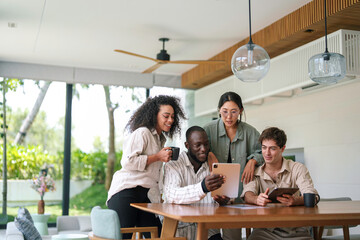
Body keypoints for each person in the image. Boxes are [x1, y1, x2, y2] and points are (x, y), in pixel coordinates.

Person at [107, 95, 186, 239]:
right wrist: (157, 157)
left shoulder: (160, 138)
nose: (170, 120)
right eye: (166, 116)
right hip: (126, 192)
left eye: (173, 117)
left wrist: (159, 195)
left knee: (157, 234)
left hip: (145, 195)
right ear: (154, 115)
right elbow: (128, 161)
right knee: (125, 237)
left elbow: (153, 174)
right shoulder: (143, 132)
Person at [203, 91, 264, 240]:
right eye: (224, 112)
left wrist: (253, 160)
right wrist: (209, 153)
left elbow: (264, 151)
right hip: (212, 192)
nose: (229, 117)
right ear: (219, 110)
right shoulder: (208, 129)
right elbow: (195, 149)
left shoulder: (250, 132)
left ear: (241, 111)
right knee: (211, 234)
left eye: (233, 112)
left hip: (238, 193)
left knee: (233, 236)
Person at [241, 127, 319, 240]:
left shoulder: (298, 168)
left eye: (272, 148)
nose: (267, 153)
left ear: (282, 149)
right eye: (264, 148)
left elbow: (313, 197)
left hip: (296, 232)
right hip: (264, 231)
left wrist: (295, 201)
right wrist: (256, 199)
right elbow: (248, 194)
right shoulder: (255, 172)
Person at [162, 126, 229, 240]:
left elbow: (222, 198)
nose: (203, 149)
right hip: (180, 230)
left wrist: (223, 201)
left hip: (207, 230)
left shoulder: (213, 164)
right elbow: (172, 195)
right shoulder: (173, 164)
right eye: (198, 145)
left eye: (206, 144)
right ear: (187, 146)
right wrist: (202, 187)